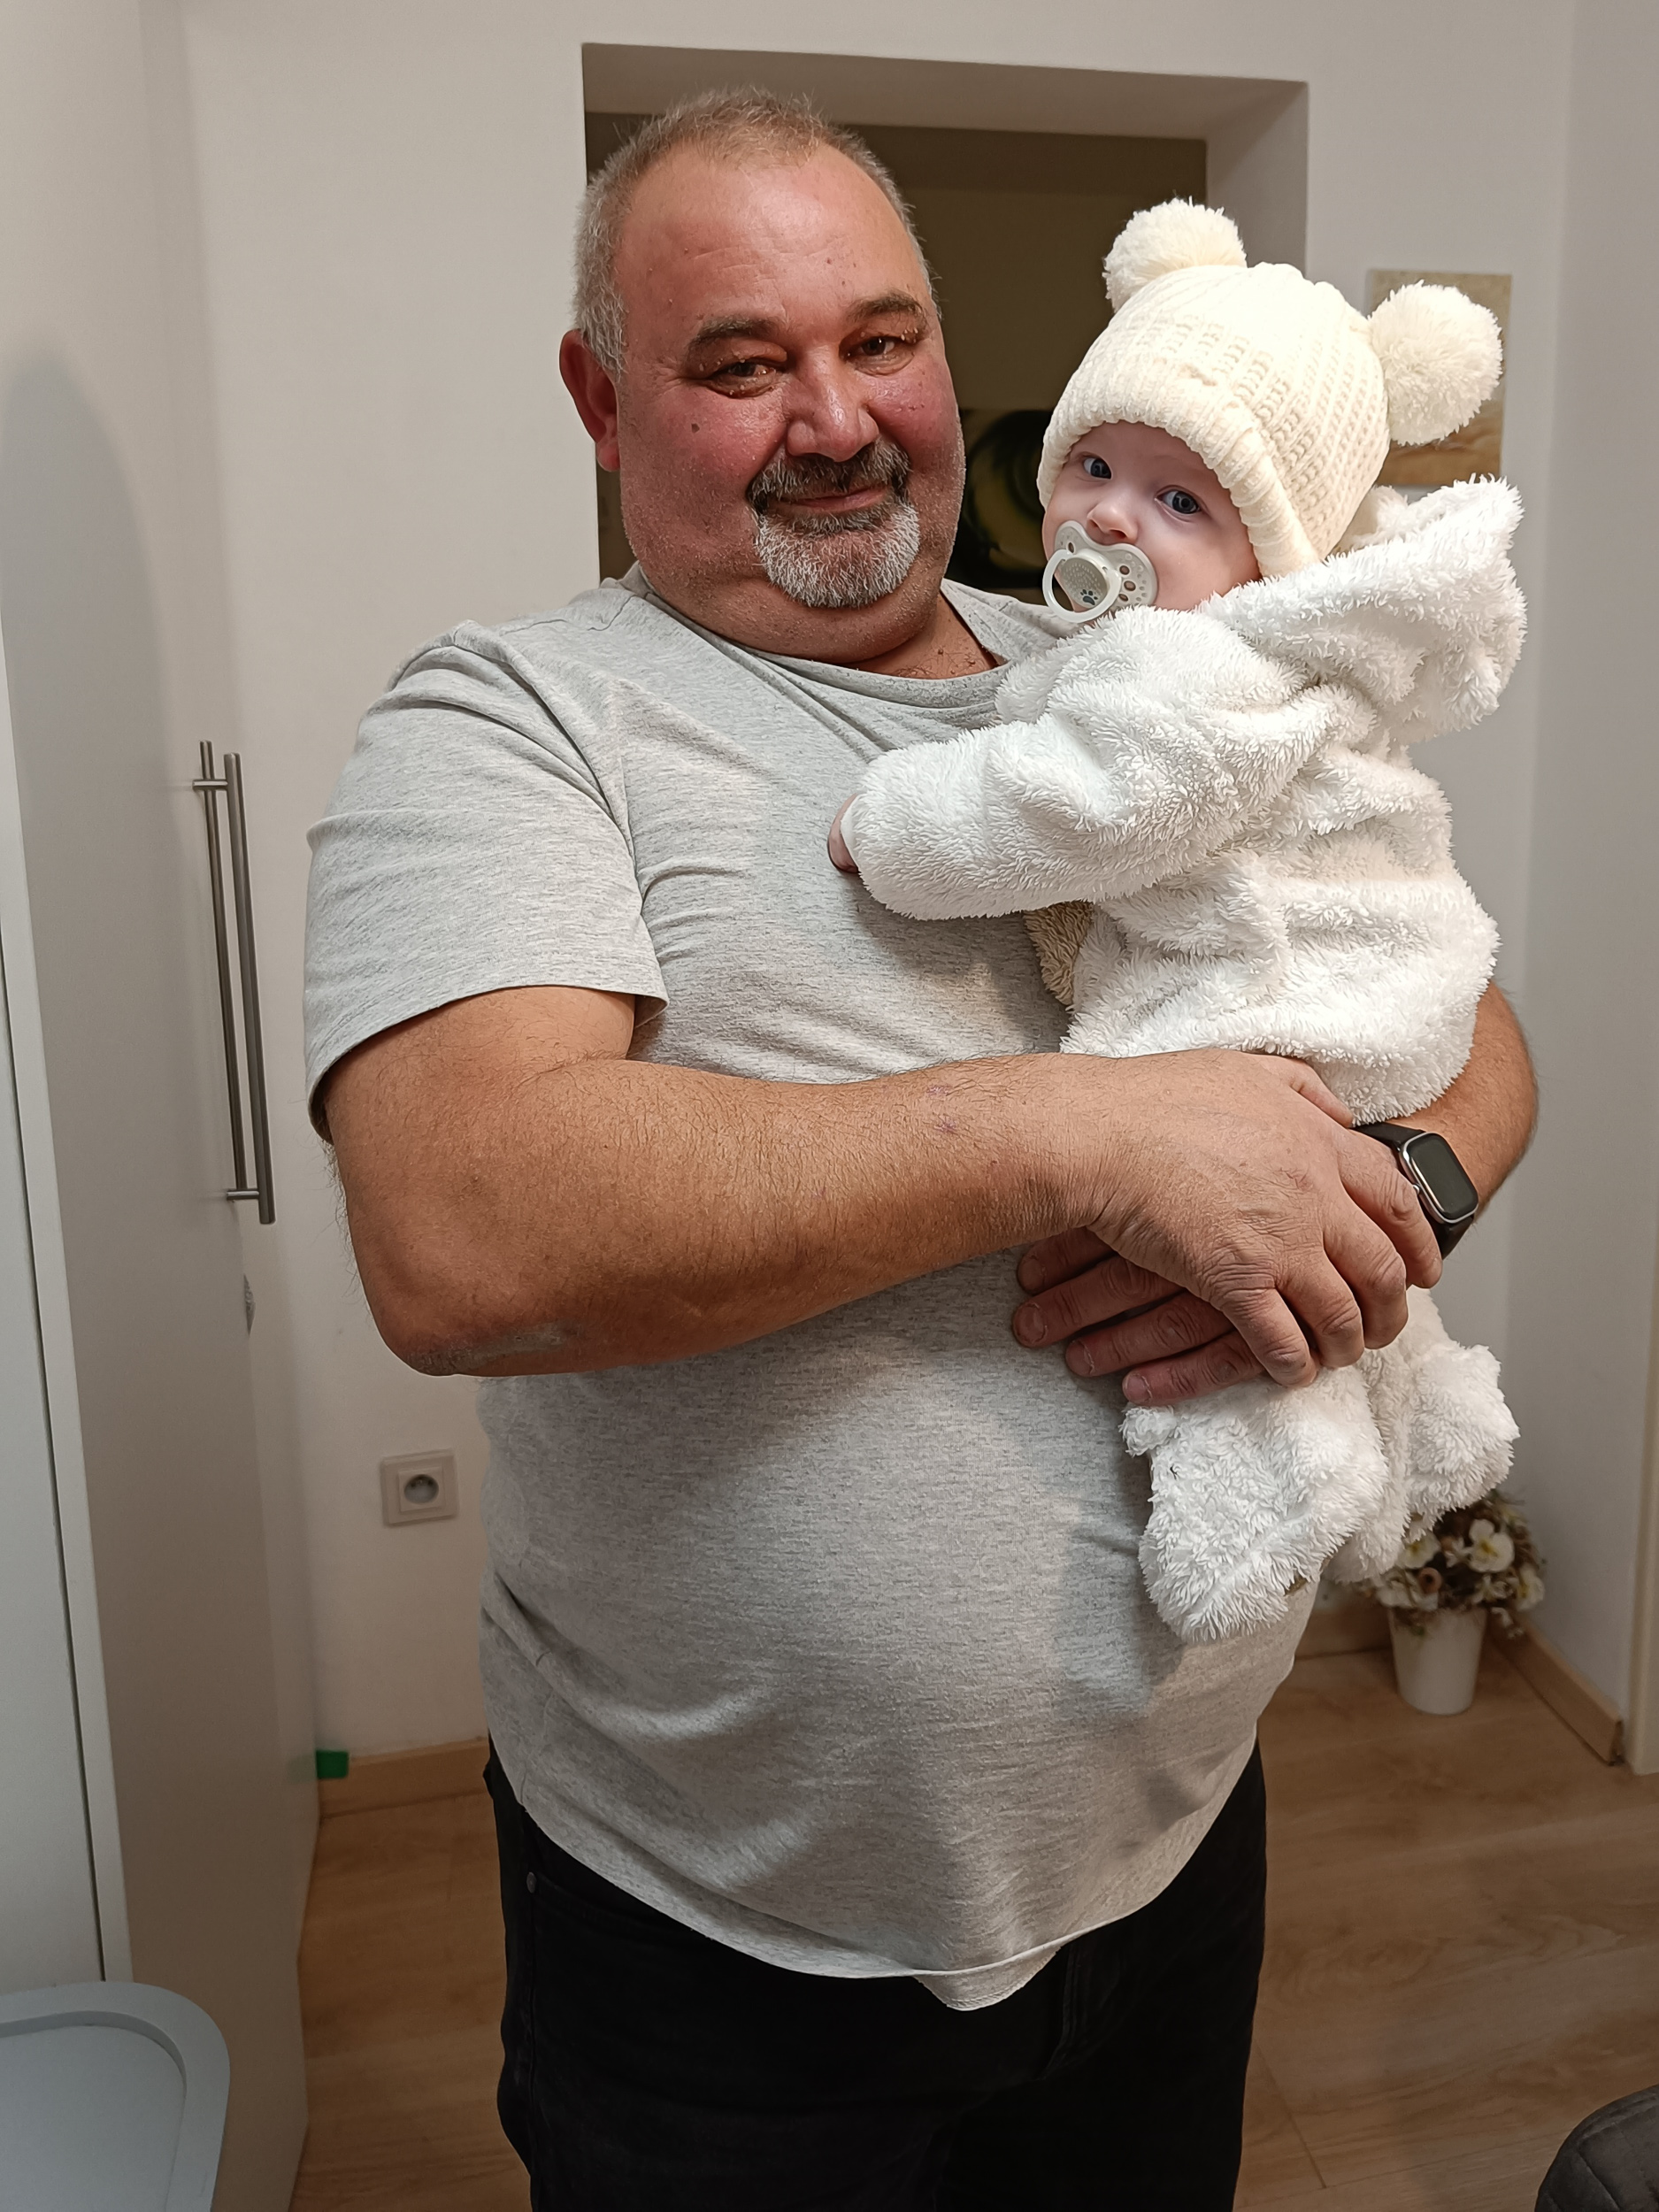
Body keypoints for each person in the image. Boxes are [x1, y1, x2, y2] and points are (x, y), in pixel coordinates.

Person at [305, 91, 1536, 2210]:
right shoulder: (512, 718)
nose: (836, 419)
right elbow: (461, 1230)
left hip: (1166, 1848)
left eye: (878, 341)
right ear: (601, 398)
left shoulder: (1144, 649)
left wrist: (1390, 1193)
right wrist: (1077, 1129)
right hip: (723, 1935)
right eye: (740, 362)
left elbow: (1460, 1001)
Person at [829, 200, 1523, 1644]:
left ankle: (1258, 1490)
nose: (1110, 519)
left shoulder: (1189, 677)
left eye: (1182, 504)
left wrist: (886, 826)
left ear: (1273, 558)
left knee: (1203, 1256)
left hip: (1269, 989)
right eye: (1093, 467)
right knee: (1326, 1241)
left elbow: (1070, 806)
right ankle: (1434, 1406)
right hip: (1380, 988)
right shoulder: (1241, 650)